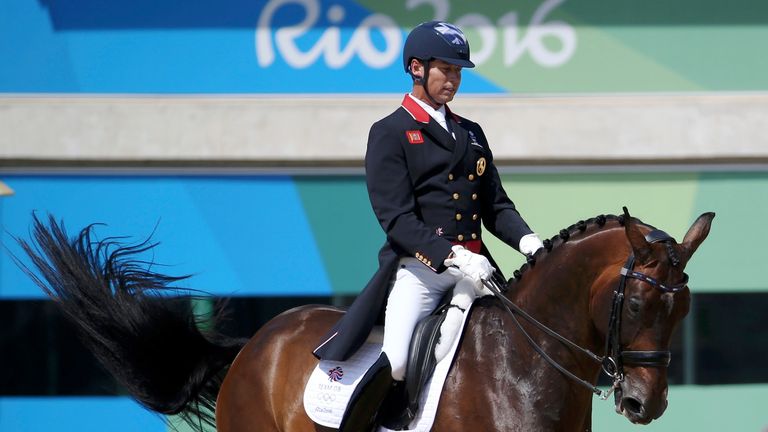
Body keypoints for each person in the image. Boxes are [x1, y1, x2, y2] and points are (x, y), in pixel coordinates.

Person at [312, 21, 543, 431]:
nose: (453, 80)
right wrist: (450, 256)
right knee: (398, 359)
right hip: (422, 271)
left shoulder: (470, 133)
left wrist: (530, 244)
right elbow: (396, 218)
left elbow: (496, 206)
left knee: (523, 345)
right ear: (417, 68)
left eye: (457, 72)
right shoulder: (390, 132)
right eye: (446, 70)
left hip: (478, 271)